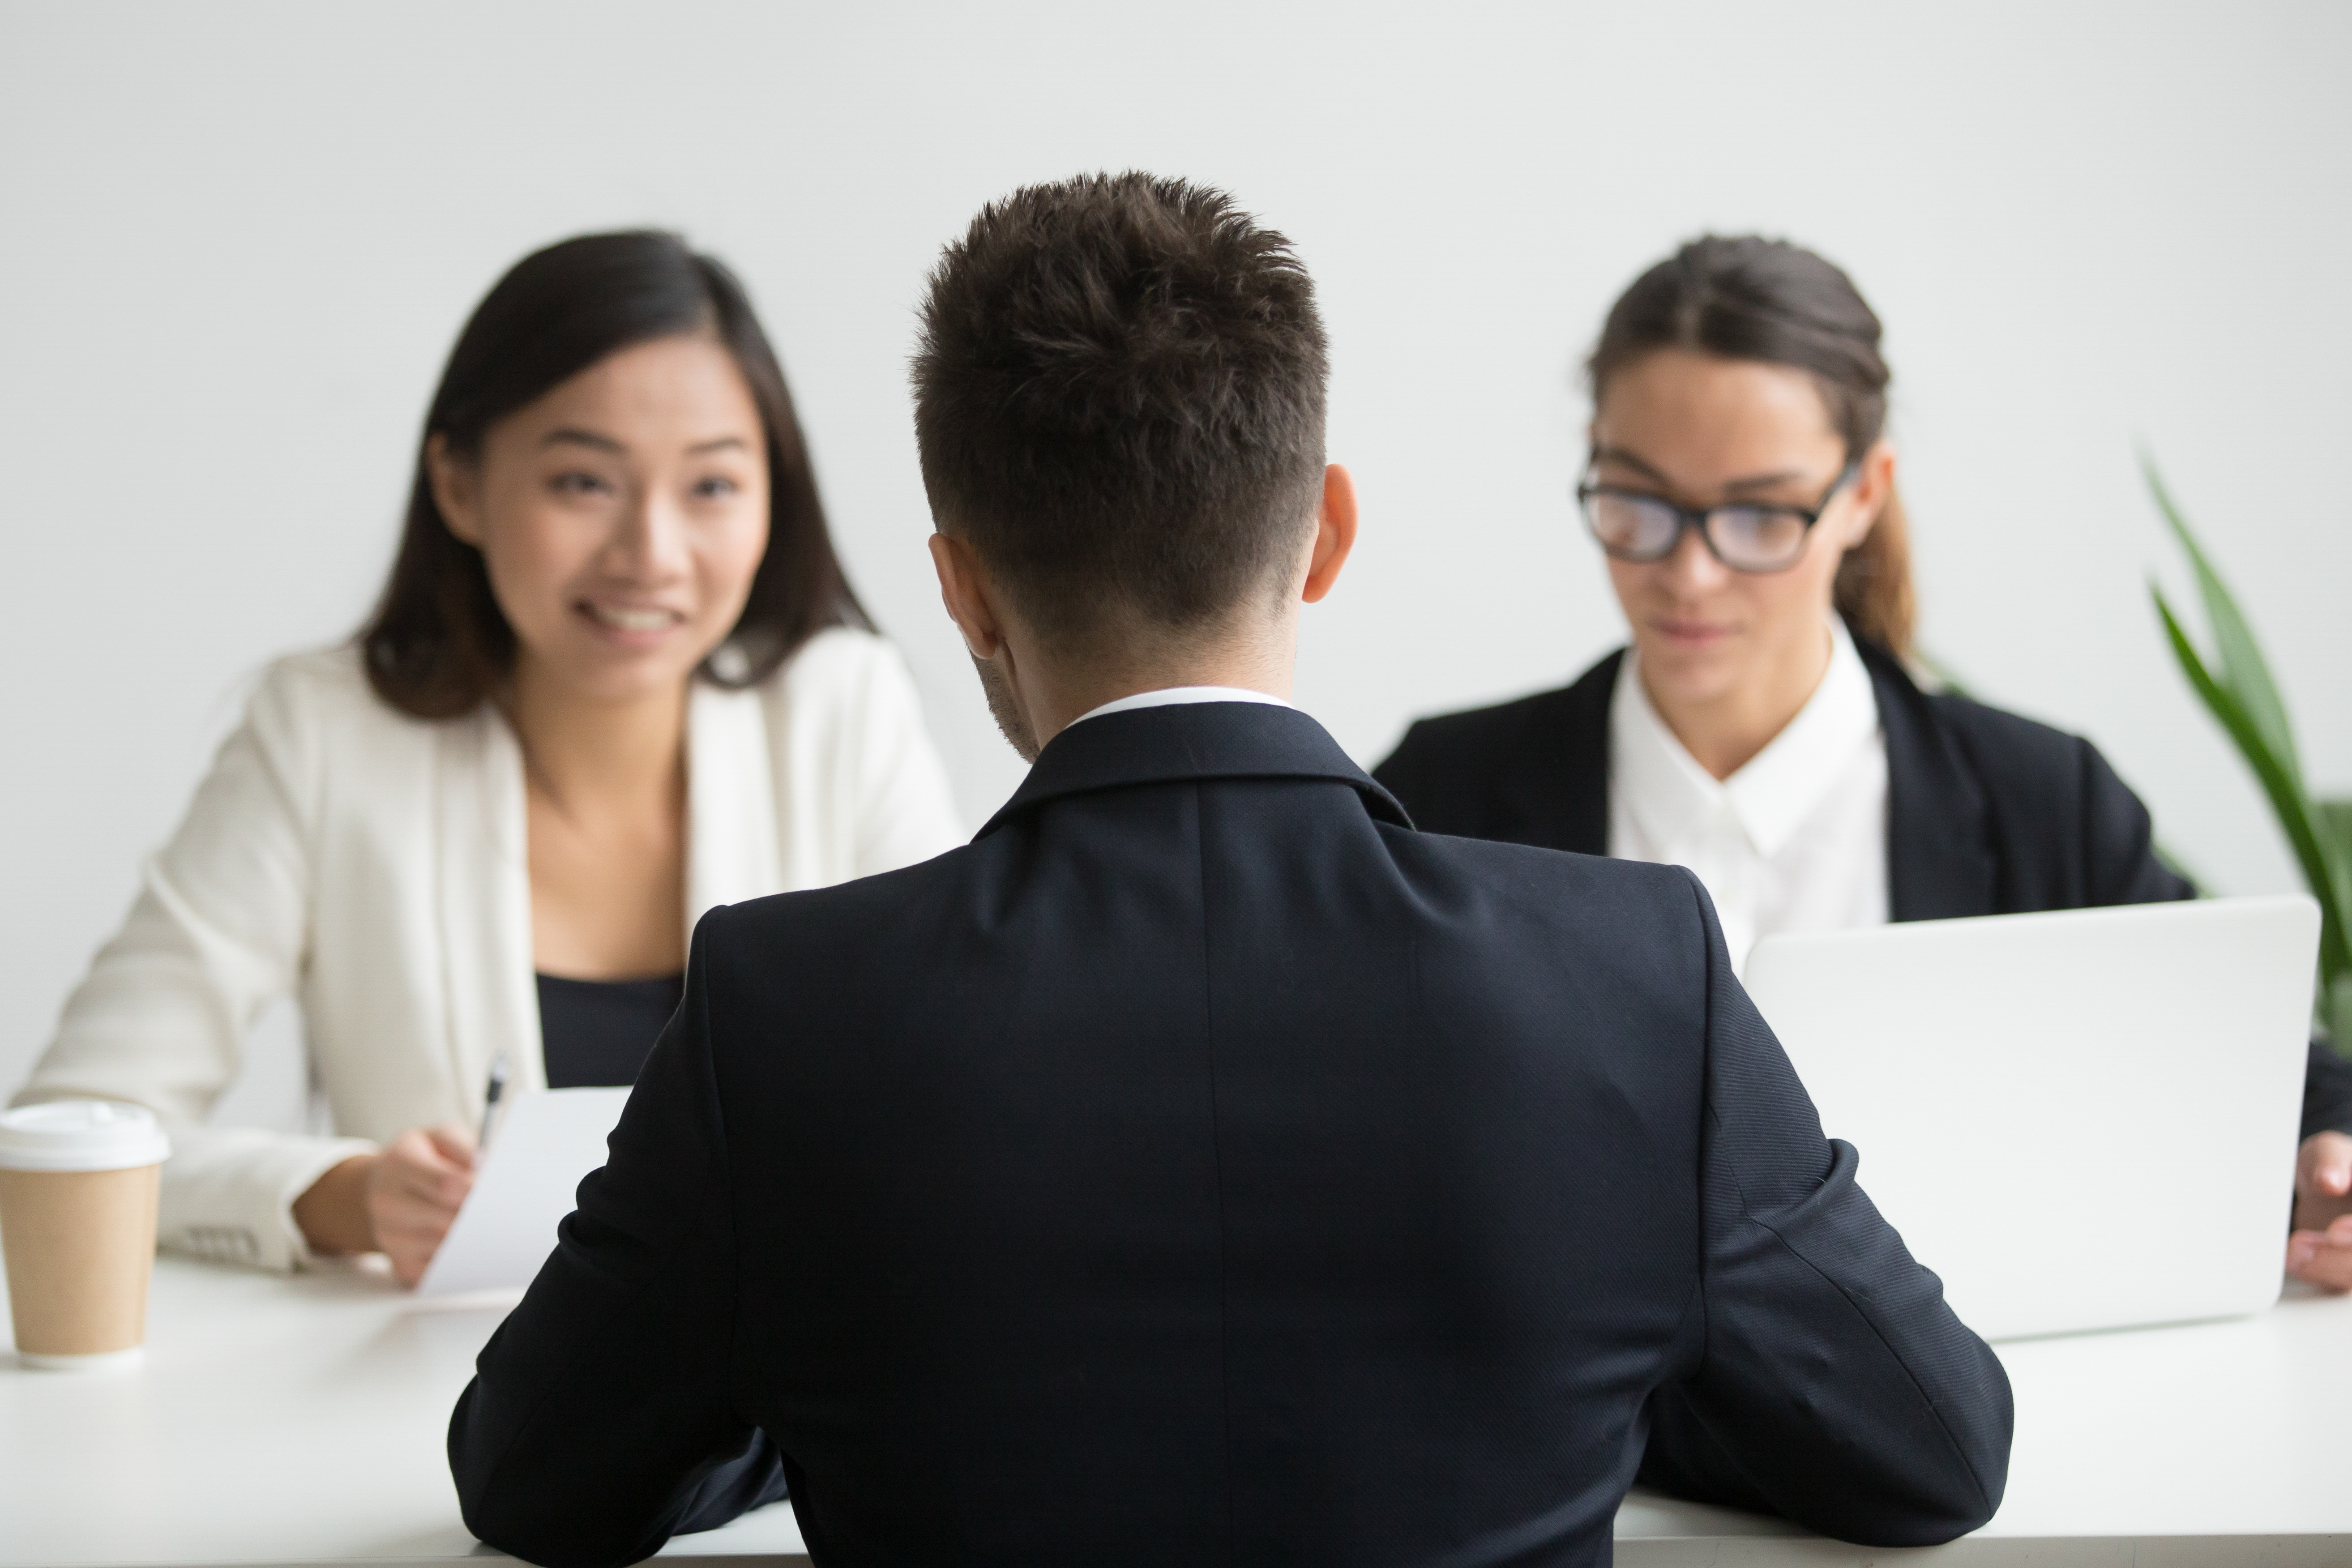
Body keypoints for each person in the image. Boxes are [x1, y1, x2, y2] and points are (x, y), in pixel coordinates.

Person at [447, 175, 2011, 1568]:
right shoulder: (1631, 970)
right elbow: (1933, 1452)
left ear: (962, 587)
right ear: (1325, 534)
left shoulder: (776, 1008)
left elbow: (532, 1481)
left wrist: (784, 1375)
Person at [1372, 234, 2352, 1292]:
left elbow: (2257, 1071)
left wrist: (2329, 1150)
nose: (1689, 574)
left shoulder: (2038, 803)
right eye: (1636, 502)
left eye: (1758, 514)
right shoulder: (1442, 794)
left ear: (1861, 494)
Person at [13, 231, 964, 1282]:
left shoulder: (842, 711)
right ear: (459, 484)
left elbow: (966, 1103)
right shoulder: (323, 738)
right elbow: (67, 1131)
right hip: (446, 1414)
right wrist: (348, 1197)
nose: (650, 553)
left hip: (794, 1420)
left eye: (711, 488)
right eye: (582, 482)